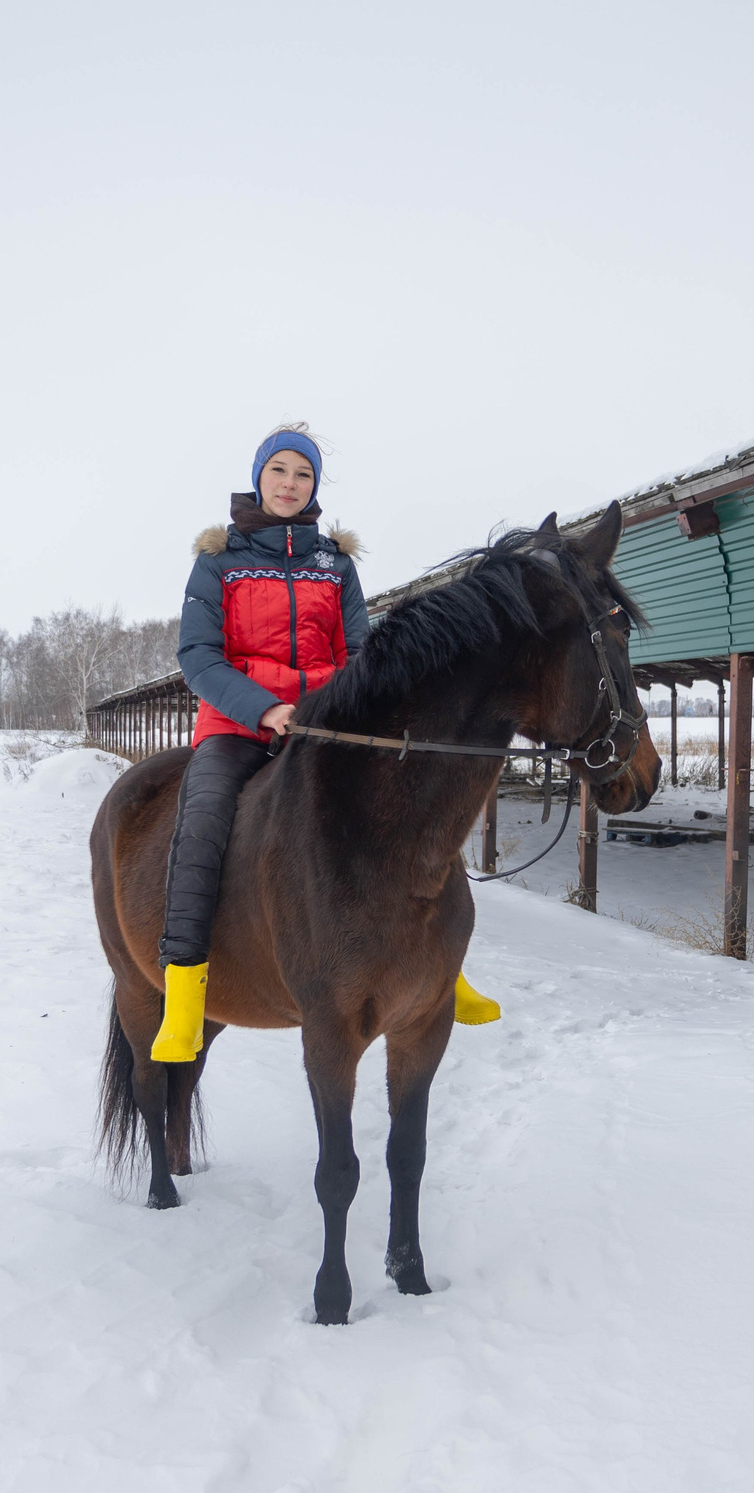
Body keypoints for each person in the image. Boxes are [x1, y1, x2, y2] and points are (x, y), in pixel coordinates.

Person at [152, 424, 498, 1061]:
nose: (290, 484)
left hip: (327, 725)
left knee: (413, 815)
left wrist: (341, 708)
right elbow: (198, 658)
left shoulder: (334, 563)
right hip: (237, 728)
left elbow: (361, 654)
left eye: (303, 475)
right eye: (279, 471)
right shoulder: (217, 560)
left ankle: (444, 972)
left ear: (315, 487)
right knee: (199, 829)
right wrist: (267, 708)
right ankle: (182, 991)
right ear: (259, 477)